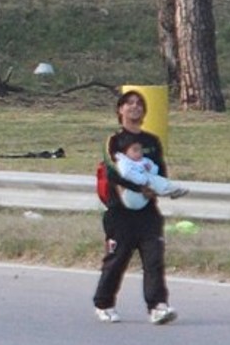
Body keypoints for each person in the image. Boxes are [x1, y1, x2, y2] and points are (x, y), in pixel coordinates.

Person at [93, 90, 178, 325]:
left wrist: (157, 188)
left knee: (154, 258)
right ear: (120, 110)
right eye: (129, 103)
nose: (135, 107)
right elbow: (112, 173)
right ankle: (104, 303)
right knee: (118, 259)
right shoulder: (114, 140)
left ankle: (157, 305)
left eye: (139, 103)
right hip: (119, 212)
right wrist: (138, 187)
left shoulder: (151, 141)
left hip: (148, 211)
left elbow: (159, 170)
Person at [113, 131, 189, 210]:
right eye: (135, 150)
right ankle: (168, 189)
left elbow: (154, 170)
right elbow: (126, 173)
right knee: (150, 178)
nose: (139, 153)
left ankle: (171, 190)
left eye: (141, 150)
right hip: (131, 196)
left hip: (142, 197)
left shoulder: (143, 160)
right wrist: (143, 179)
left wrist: (151, 168)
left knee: (154, 178)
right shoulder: (124, 162)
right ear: (124, 152)